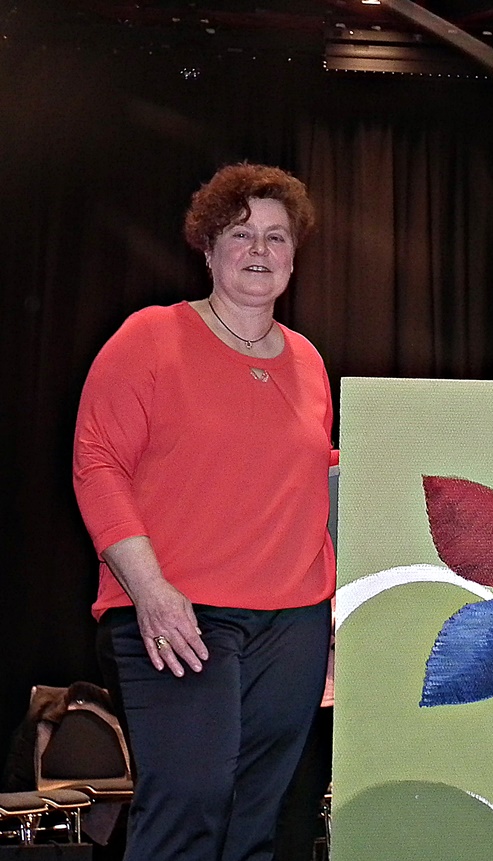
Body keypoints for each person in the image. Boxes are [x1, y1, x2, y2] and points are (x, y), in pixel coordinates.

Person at [73, 163, 335, 861]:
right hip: (175, 612)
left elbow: (314, 474)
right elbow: (98, 462)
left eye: (276, 237)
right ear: (208, 246)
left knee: (257, 818)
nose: (259, 249)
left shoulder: (308, 361)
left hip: (293, 625)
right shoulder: (152, 337)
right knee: (188, 803)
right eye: (241, 233)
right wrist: (151, 590)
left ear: (293, 256)